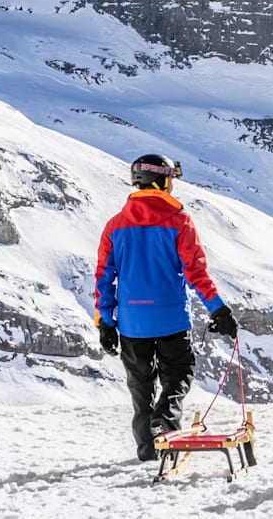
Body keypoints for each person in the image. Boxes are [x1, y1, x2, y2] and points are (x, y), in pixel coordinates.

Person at [92, 153, 240, 462]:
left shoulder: (115, 226)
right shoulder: (179, 221)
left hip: (132, 326)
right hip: (171, 320)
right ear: (160, 181)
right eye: (171, 179)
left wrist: (105, 322)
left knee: (140, 391)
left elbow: (104, 278)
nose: (173, 186)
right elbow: (196, 273)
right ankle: (166, 422)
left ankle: (148, 453)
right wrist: (218, 310)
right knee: (178, 375)